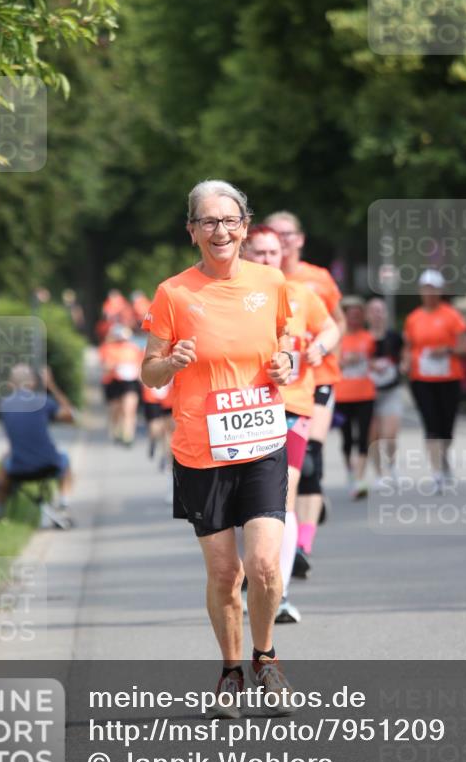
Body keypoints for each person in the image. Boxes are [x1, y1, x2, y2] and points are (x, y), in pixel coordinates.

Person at [141, 180, 295, 713]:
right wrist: (171, 362)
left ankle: (267, 659)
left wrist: (287, 364)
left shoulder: (271, 282)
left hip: (261, 442)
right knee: (225, 574)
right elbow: (149, 373)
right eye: (208, 222)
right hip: (200, 449)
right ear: (192, 232)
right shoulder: (173, 293)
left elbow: (288, 347)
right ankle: (231, 671)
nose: (220, 231)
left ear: (245, 227)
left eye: (229, 221)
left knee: (265, 564)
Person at [243, 225, 339, 621]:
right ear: (246, 254)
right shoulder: (236, 297)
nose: (267, 260)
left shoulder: (301, 295)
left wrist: (319, 346)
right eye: (259, 253)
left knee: (283, 498)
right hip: (246, 408)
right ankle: (252, 574)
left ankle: (277, 593)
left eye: (273, 253)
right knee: (247, 506)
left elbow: (331, 326)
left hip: (294, 406)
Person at [264, 211, 345, 577]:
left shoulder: (315, 281)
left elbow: (336, 323)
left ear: (298, 239)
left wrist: (323, 348)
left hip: (315, 378)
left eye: (287, 235)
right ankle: (275, 542)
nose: (280, 243)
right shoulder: (254, 284)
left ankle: (300, 545)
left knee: (308, 461)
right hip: (270, 393)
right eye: (273, 236)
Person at [402, 269, 466, 493]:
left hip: (448, 378)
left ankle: (443, 458)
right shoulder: (413, 318)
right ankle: (437, 473)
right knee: (431, 425)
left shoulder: (452, 316)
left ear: (440, 291)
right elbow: (408, 347)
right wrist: (405, 363)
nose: (429, 293)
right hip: (422, 379)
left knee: (446, 427)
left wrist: (448, 350)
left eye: (434, 289)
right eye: (426, 289)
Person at [0, 364, 74, 512]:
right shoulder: (43, 401)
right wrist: (51, 386)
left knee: (3, 463)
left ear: (10, 385)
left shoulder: (4, 404)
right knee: (65, 458)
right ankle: (64, 500)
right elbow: (71, 416)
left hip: (18, 468)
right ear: (33, 383)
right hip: (49, 464)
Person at [334, 297, 376, 499]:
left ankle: (360, 478)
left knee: (364, 436)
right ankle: (351, 473)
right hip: (343, 395)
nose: (354, 319)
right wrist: (344, 361)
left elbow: (377, 362)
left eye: (358, 315)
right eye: (351, 315)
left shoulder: (369, 338)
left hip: (365, 394)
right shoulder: (338, 338)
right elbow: (331, 365)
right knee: (347, 439)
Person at [366, 297, 404, 481]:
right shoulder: (363, 338)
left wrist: (404, 365)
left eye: (381, 310)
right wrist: (370, 364)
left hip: (391, 390)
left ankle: (392, 465)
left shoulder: (394, 337)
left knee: (389, 435)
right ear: (368, 315)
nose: (377, 314)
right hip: (368, 393)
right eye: (374, 311)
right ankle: (379, 474)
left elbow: (404, 357)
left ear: (386, 314)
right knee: (373, 436)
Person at [98, 324, 143, 445]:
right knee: (116, 409)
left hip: (130, 382)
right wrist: (116, 366)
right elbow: (105, 366)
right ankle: (115, 430)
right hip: (113, 381)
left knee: (129, 408)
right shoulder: (108, 348)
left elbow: (139, 366)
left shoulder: (134, 348)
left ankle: (128, 435)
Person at [141, 378, 175, 472]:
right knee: (155, 428)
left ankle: (166, 457)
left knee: (168, 431)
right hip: (152, 398)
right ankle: (153, 439)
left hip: (169, 398)